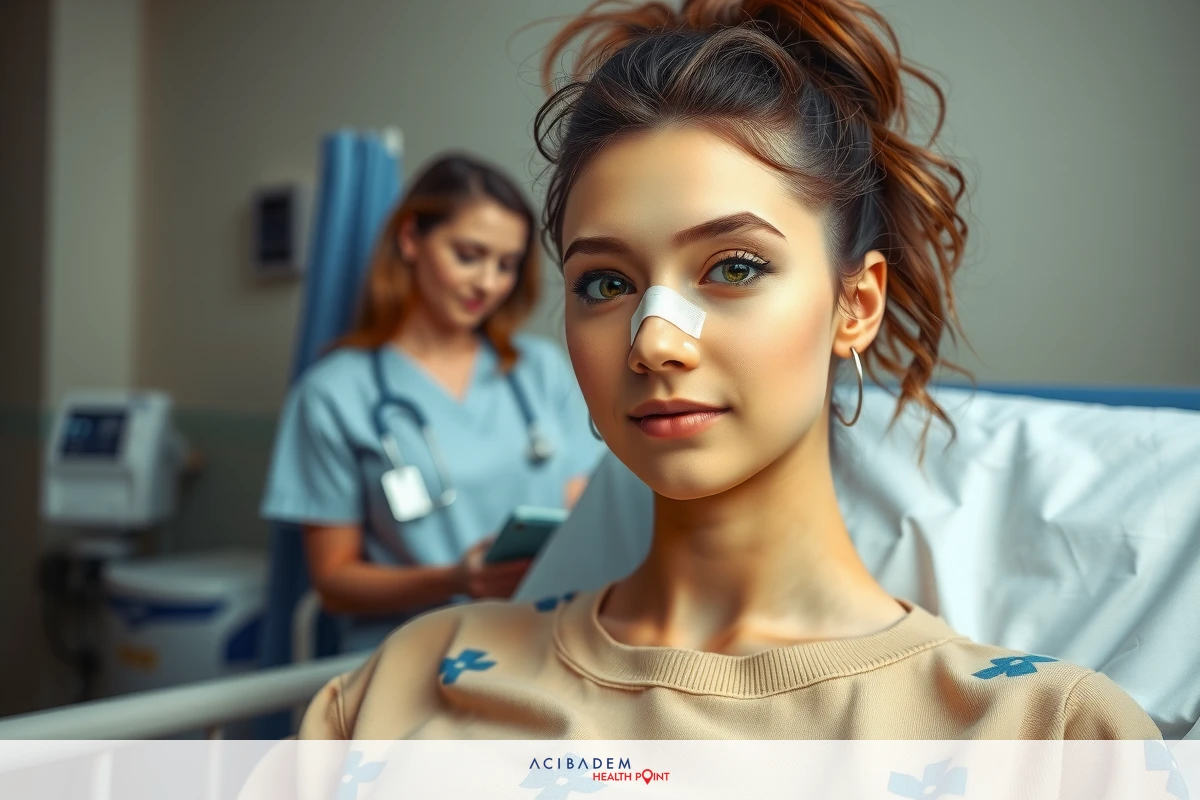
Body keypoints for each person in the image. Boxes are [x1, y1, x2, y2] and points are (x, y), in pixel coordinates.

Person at [295, 0, 1160, 738]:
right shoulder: (401, 688)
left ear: (855, 305)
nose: (653, 343)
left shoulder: (1047, 734)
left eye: (734, 267)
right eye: (605, 283)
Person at [260, 153, 605, 645]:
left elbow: (580, 516)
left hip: (545, 637)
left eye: (506, 265)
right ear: (410, 239)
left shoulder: (540, 370)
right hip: (413, 652)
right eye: (468, 255)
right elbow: (334, 582)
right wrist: (455, 580)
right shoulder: (333, 393)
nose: (487, 283)